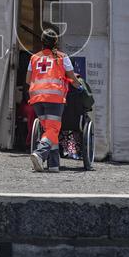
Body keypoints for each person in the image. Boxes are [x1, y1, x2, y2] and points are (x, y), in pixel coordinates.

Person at [27, 28, 82, 172]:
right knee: (53, 129)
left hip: (36, 98)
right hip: (54, 97)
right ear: (56, 42)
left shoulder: (34, 58)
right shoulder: (62, 57)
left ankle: (53, 165)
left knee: (49, 131)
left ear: (42, 41)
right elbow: (72, 78)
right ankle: (40, 154)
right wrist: (79, 86)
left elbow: (28, 79)